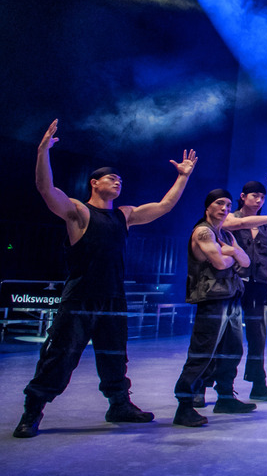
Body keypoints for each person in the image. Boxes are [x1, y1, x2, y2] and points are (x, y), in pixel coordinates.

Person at [15, 120, 196, 439]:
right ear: (94, 183)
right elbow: (46, 189)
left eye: (120, 179)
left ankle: (119, 405)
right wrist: (43, 150)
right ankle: (32, 410)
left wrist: (183, 176)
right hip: (80, 297)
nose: (117, 181)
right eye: (111, 178)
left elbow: (164, 206)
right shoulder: (78, 212)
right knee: (61, 356)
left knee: (115, 355)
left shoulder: (123, 215)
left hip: (113, 297)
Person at [172, 190, 257, 427]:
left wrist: (232, 251)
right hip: (212, 299)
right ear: (208, 206)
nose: (225, 208)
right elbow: (219, 263)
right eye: (219, 203)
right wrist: (231, 255)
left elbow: (246, 262)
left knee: (233, 350)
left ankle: (226, 398)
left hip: (231, 297)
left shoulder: (226, 235)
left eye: (228, 204)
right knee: (202, 352)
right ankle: (185, 405)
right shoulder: (203, 231)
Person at [227, 181, 267, 401]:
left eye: (262, 197)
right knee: (228, 336)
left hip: (259, 283)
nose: (259, 200)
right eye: (254, 196)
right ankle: (212, 386)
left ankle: (259, 385)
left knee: (258, 336)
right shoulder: (231, 218)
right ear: (243, 196)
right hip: (234, 282)